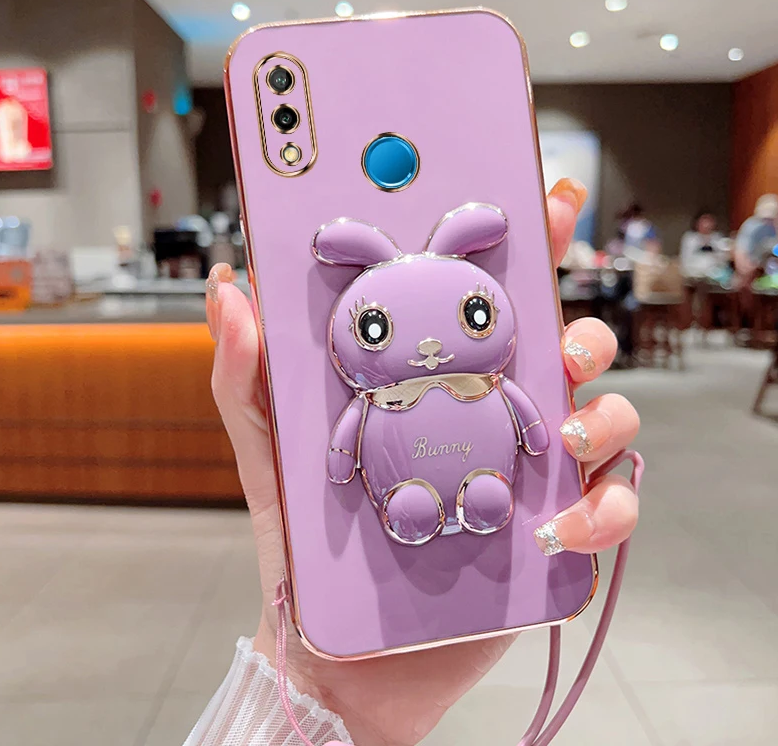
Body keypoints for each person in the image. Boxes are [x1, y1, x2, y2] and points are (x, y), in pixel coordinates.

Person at [190, 178, 641, 746]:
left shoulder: (484, 383)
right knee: (415, 504)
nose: (429, 348)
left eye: (475, 316)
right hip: (396, 492)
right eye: (375, 329)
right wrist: (316, 688)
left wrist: (546, 433)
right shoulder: (375, 398)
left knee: (488, 493)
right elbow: (345, 449)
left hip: (482, 469)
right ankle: (419, 505)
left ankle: (481, 495)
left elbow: (533, 429)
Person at [735, 193, 778, 285]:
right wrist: (745, 268)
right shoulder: (750, 225)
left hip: (777, 267)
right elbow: (740, 250)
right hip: (754, 266)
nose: (767, 221)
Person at [679, 210, 726, 277]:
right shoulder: (690, 238)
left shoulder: (717, 237)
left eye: (709, 221)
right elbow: (686, 259)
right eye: (704, 221)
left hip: (716, 273)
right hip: (694, 273)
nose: (707, 224)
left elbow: (723, 257)